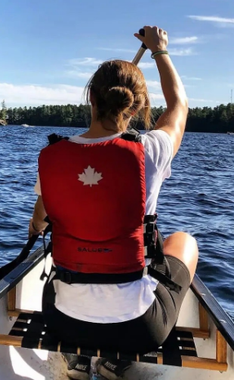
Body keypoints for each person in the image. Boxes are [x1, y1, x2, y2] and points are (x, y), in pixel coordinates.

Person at [27, 26, 196, 380]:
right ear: (136, 108)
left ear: (91, 98)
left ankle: (76, 359)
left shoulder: (52, 157)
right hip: (139, 330)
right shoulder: (151, 150)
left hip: (63, 322)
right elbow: (179, 106)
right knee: (184, 242)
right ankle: (116, 363)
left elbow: (38, 225)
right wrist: (159, 51)